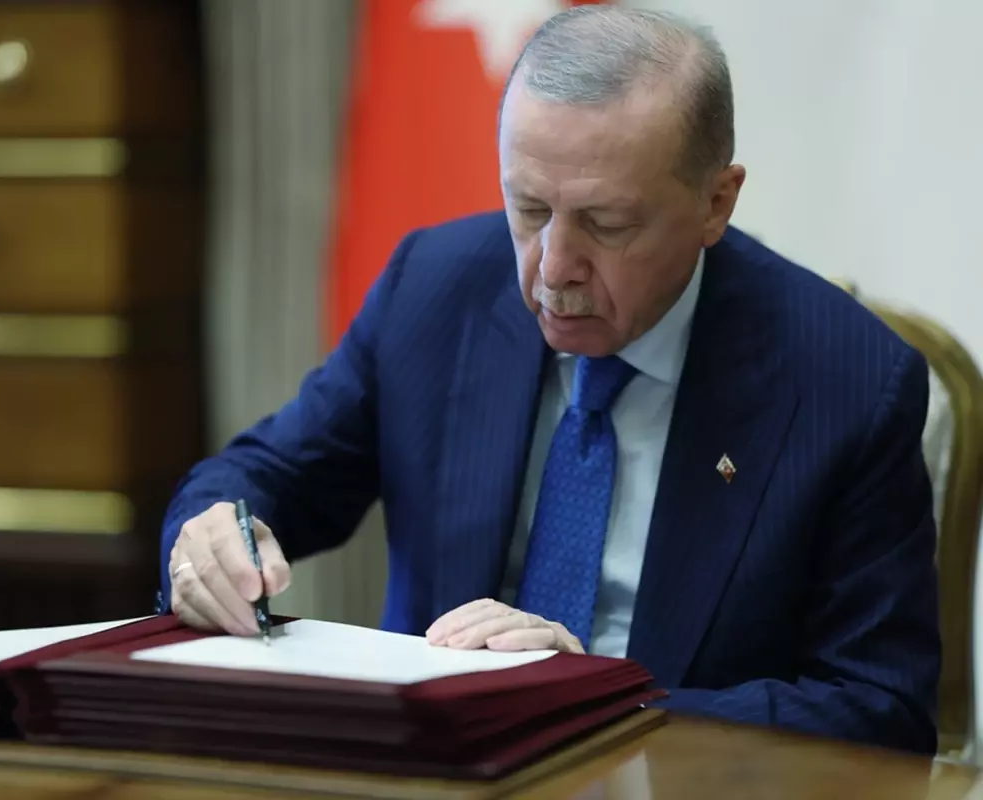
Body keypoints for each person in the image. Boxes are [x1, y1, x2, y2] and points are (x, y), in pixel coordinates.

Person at [159, 6, 940, 754]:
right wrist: (213, 539)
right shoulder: (434, 290)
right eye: (529, 209)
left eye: (607, 224)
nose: (553, 269)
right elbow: (267, 476)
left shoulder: (846, 380)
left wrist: (603, 700)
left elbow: (880, 711)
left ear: (715, 203)